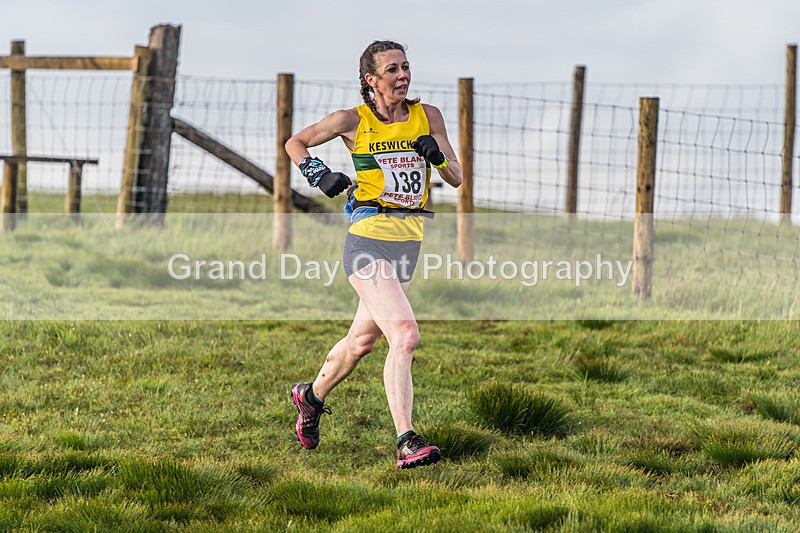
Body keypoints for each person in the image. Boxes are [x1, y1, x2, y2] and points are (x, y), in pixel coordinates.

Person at [285, 40, 463, 469]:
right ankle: (407, 440)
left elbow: (455, 178)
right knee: (405, 334)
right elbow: (296, 143)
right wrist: (318, 172)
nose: (402, 76)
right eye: (392, 70)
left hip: (409, 241)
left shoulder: (428, 116)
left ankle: (309, 397)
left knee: (362, 341)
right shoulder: (353, 120)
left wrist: (436, 156)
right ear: (371, 80)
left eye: (406, 67)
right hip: (366, 238)